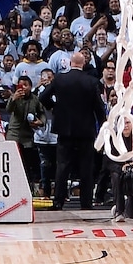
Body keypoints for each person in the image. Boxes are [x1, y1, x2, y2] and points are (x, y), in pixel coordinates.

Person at [45, 50, 107, 210]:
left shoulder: (60, 79)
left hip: (64, 129)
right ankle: (86, 203)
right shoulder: (91, 82)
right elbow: (99, 108)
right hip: (86, 130)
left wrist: (55, 109)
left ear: (70, 63)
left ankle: (58, 202)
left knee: (62, 166)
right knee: (86, 167)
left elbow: (43, 97)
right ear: (83, 64)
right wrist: (103, 125)